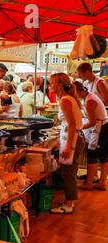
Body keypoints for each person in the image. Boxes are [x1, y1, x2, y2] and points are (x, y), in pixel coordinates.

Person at [49, 73, 85, 214]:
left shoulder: (65, 100)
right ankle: (69, 200)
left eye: (52, 83)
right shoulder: (67, 98)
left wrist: (69, 147)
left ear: (58, 85)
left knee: (68, 172)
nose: (50, 86)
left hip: (73, 139)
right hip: (73, 137)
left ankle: (69, 204)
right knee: (68, 171)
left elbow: (71, 125)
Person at [74, 81, 108, 191]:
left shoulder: (89, 100)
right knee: (104, 156)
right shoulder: (89, 96)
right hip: (104, 125)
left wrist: (78, 127)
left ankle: (89, 183)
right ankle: (101, 181)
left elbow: (92, 122)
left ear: (78, 91)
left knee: (92, 154)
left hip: (100, 127)